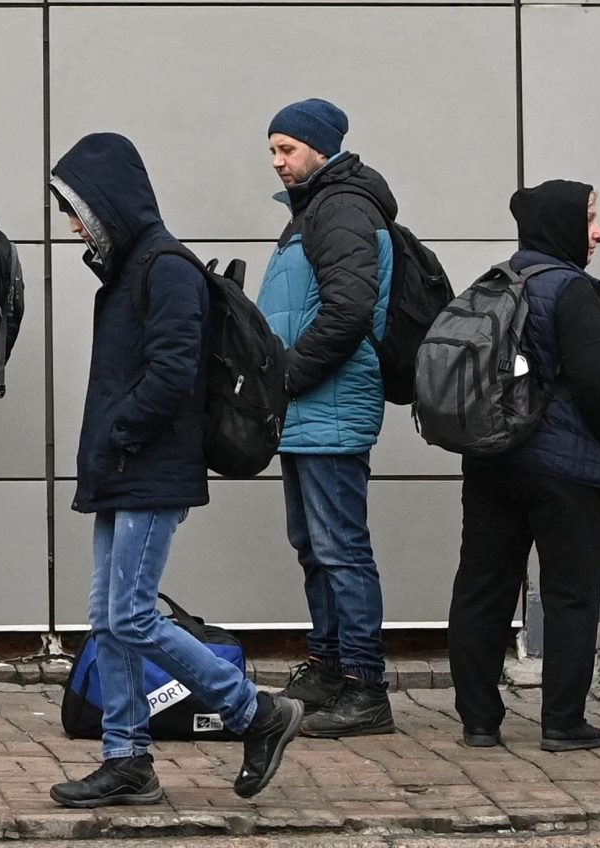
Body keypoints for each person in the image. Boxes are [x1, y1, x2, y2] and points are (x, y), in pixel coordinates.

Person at [47, 132, 302, 810]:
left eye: (76, 212)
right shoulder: (134, 271)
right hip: (124, 469)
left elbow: (171, 375)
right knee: (108, 620)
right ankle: (127, 759)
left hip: (149, 470)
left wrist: (120, 436)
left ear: (108, 206)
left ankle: (255, 713)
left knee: (129, 616)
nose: (73, 226)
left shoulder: (166, 270)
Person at [254, 98, 398, 738]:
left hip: (330, 403)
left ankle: (366, 688)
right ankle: (327, 666)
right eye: (273, 151)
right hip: (309, 409)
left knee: (341, 548)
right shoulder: (314, 210)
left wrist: (285, 376)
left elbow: (348, 313)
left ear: (321, 147)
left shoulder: (340, 210)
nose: (279, 162)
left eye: (287, 149)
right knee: (313, 545)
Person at [449, 180, 600, 751]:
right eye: (590, 218)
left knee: (482, 585)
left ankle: (478, 720)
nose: (598, 231)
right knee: (570, 592)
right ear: (563, 225)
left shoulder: (495, 281)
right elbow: (597, 384)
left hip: (491, 461)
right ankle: (564, 722)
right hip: (564, 472)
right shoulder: (570, 291)